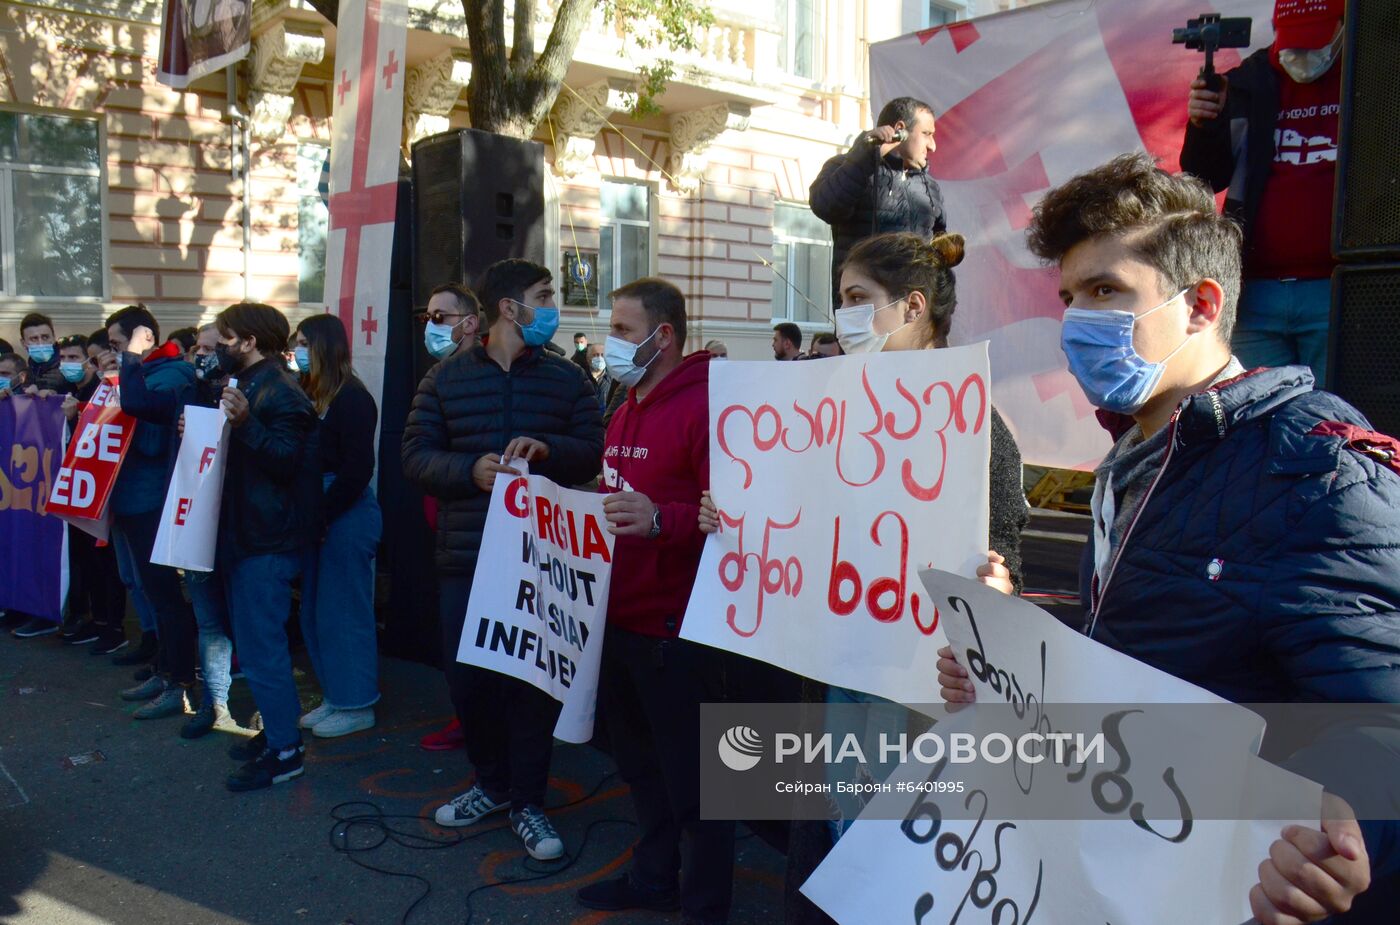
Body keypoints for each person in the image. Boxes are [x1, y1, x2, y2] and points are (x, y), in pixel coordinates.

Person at [936, 153, 1399, 924]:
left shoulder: (1317, 466)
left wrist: (1336, 826)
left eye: (1107, 291)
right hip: (1128, 876)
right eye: (1071, 295)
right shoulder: (1129, 462)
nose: (1077, 320)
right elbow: (1138, 641)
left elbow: (1380, 717)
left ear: (1200, 306)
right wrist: (1008, 652)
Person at [402, 258, 603, 861]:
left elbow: (592, 451)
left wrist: (550, 449)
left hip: (543, 560)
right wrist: (469, 471)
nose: (553, 305)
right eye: (543, 296)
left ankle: (529, 803)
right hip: (466, 558)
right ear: (509, 308)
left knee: (533, 687)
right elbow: (414, 456)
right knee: (470, 684)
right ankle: (490, 785)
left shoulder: (570, 381)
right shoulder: (443, 379)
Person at [576, 278, 732, 925]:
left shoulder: (708, 408)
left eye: (623, 328)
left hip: (678, 630)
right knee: (641, 769)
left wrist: (662, 520)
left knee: (700, 790)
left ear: (662, 335)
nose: (612, 341)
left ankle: (704, 908)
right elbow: (619, 488)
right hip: (622, 620)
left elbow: (732, 518)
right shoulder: (624, 405)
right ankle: (653, 877)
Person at [1181, 0, 1343, 383]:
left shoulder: (1374, 81)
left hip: (1341, 288)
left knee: (1341, 423)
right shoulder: (1246, 83)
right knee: (1258, 425)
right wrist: (1204, 125)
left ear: (1344, 27)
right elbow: (1204, 178)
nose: (1302, 54)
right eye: (1293, 42)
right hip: (1254, 290)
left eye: (1315, 41)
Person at [212, 302, 323, 791]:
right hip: (249, 535)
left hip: (267, 541)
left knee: (263, 649)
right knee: (256, 647)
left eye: (225, 337)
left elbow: (286, 461)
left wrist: (243, 426)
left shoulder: (280, 389)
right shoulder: (254, 384)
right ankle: (277, 732)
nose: (219, 346)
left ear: (249, 341)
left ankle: (285, 750)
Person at [102, 305, 202, 723]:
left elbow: (144, 425)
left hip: (151, 500)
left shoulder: (172, 373)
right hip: (129, 498)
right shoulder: (143, 371)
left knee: (165, 595)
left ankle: (180, 682)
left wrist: (129, 363)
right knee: (148, 591)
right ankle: (165, 671)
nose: (113, 352)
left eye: (117, 344)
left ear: (141, 338)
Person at [292, 314, 383, 738]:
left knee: (344, 612)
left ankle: (356, 702)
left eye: (303, 342)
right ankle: (335, 695)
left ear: (324, 346)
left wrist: (323, 514)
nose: (297, 351)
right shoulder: (315, 394)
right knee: (316, 610)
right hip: (322, 509)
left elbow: (358, 468)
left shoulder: (352, 398)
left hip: (344, 512)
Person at [810, 96, 945, 309]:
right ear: (900, 129)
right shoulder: (846, 166)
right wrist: (866, 155)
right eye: (927, 134)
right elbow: (825, 206)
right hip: (862, 311)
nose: (933, 146)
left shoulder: (930, 187)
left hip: (913, 316)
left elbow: (939, 254)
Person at [178, 321, 241, 739]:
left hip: (240, 526)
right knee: (209, 621)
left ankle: (267, 714)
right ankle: (215, 702)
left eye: (210, 348)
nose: (201, 355)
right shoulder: (191, 390)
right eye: (197, 348)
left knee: (246, 622)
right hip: (201, 520)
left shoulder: (252, 392)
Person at [53, 335, 127, 650]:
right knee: (89, 560)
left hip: (110, 489)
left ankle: (113, 627)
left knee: (109, 564)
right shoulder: (82, 391)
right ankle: (97, 622)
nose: (70, 364)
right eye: (64, 357)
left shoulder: (118, 391)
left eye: (77, 357)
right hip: (87, 487)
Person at [422, 283, 481, 360]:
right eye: (427, 318)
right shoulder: (440, 370)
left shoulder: (489, 370)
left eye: (438, 316)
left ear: (469, 324)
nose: (429, 325)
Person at [18, 312, 65, 394]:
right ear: (23, 343)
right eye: (34, 339)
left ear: (54, 338)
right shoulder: (28, 372)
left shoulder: (66, 368)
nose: (41, 343)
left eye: (45, 337)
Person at [585, 342, 608, 411]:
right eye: (596, 355)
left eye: (602, 355)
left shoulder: (613, 380)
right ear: (588, 358)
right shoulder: (581, 378)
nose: (600, 358)